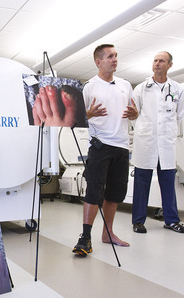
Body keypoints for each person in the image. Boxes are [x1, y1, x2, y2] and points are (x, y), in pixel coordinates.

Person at [72, 44, 138, 256]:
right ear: (98, 62)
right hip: (100, 146)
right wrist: (88, 114)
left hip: (121, 146)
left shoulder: (125, 85)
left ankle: (108, 233)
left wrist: (135, 114)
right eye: (110, 56)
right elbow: (77, 119)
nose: (115, 59)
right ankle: (85, 237)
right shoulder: (89, 87)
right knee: (94, 192)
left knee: (115, 194)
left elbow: (133, 114)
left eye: (116, 56)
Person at [131, 51, 184, 234]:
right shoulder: (141, 88)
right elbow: (133, 114)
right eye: (155, 60)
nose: (157, 64)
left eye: (161, 61)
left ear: (169, 65)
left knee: (168, 183)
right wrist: (144, 129)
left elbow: (179, 115)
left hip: (166, 144)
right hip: (146, 142)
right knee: (141, 183)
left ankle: (171, 220)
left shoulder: (177, 89)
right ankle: (138, 221)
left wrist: (166, 131)